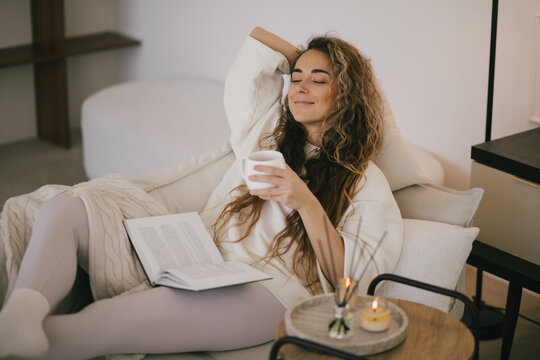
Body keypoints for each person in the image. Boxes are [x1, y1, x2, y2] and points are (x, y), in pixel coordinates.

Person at [0, 26, 403, 359]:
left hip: (265, 290)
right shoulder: (268, 139)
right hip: (197, 253)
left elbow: (350, 279)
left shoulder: (364, 181)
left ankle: (17, 342)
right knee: (65, 207)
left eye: (320, 79)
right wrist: (310, 57)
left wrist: (305, 201)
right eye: (296, 77)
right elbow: (251, 64)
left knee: (101, 323)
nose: (300, 86)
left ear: (348, 93)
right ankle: (20, 312)